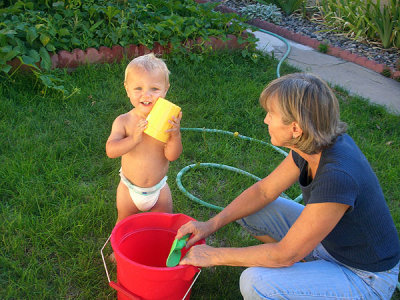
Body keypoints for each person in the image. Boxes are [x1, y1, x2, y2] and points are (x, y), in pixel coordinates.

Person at [175, 73, 400, 299]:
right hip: (331, 244)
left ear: (295, 128)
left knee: (256, 283)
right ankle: (305, 274)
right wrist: (210, 224)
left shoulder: (337, 176)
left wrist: (214, 255)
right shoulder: (312, 145)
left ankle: (303, 280)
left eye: (271, 114)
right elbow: (264, 191)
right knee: (254, 210)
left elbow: (284, 254)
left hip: (364, 276)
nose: (266, 120)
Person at [106, 53, 182, 224]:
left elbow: (172, 156)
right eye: (138, 88)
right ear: (127, 90)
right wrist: (133, 139)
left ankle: (158, 249)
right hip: (129, 189)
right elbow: (111, 150)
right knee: (124, 222)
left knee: (164, 223)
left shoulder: (167, 122)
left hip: (159, 189)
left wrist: (175, 135)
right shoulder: (124, 121)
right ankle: (117, 252)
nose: (146, 95)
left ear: (165, 89)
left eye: (154, 89)